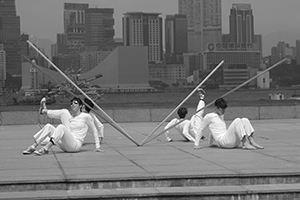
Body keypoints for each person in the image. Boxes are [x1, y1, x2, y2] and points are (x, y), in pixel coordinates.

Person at [23, 97, 102, 156]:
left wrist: (97, 146)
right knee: (49, 126)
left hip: (75, 145)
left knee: (61, 127)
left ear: (81, 106)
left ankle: (45, 148)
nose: (72, 104)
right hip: (66, 145)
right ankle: (33, 146)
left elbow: (94, 129)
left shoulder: (86, 116)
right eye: (71, 103)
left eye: (75, 103)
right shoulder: (72, 118)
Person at [194, 98, 264, 150]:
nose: (224, 111)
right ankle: (245, 143)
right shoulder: (209, 116)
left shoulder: (221, 115)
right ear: (216, 108)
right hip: (224, 142)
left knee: (244, 120)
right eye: (222, 109)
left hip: (233, 142)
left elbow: (214, 129)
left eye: (225, 109)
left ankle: (251, 141)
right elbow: (201, 129)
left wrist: (211, 143)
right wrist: (196, 144)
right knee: (237, 121)